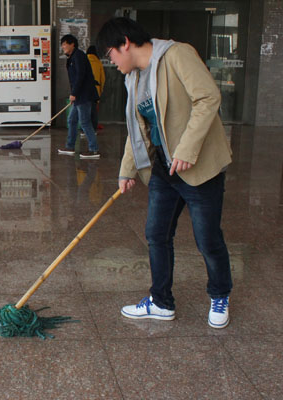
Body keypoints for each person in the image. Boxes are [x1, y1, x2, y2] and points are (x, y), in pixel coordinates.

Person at [97, 17, 233, 328]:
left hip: (199, 168)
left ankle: (220, 294)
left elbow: (208, 97)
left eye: (110, 54)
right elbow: (137, 130)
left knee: (208, 240)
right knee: (157, 235)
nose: (112, 62)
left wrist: (186, 150)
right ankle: (161, 302)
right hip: (164, 168)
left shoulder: (177, 55)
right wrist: (127, 170)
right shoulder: (134, 78)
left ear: (125, 43)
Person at [58, 34, 100, 159]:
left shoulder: (79, 56)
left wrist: (74, 93)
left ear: (72, 44)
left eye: (65, 44)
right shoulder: (72, 57)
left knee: (85, 122)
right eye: (62, 45)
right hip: (79, 96)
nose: (63, 47)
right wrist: (74, 94)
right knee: (72, 120)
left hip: (84, 96)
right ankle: (70, 146)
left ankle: (94, 150)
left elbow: (80, 76)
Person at [86, 45, 105, 131]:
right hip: (95, 90)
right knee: (94, 111)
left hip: (85, 90)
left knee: (85, 111)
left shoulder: (84, 60)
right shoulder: (98, 62)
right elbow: (102, 78)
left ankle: (84, 130)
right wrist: (100, 90)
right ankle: (93, 129)